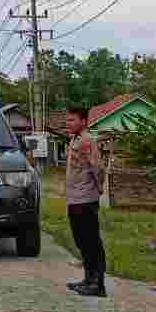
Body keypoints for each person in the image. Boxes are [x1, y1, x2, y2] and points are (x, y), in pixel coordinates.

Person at [63, 105, 107, 298]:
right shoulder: (75, 139)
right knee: (81, 241)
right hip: (75, 199)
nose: (68, 123)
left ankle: (98, 284)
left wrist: (98, 188)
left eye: (72, 120)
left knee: (91, 242)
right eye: (67, 120)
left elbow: (97, 168)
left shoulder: (87, 140)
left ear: (83, 122)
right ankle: (88, 279)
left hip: (86, 199)